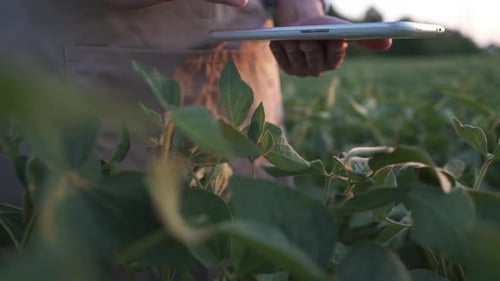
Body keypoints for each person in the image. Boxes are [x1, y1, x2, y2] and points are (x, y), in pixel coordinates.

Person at [0, 0, 391, 204]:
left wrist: (303, 10)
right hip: (79, 32)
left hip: (237, 40)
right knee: (103, 240)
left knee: (241, 239)